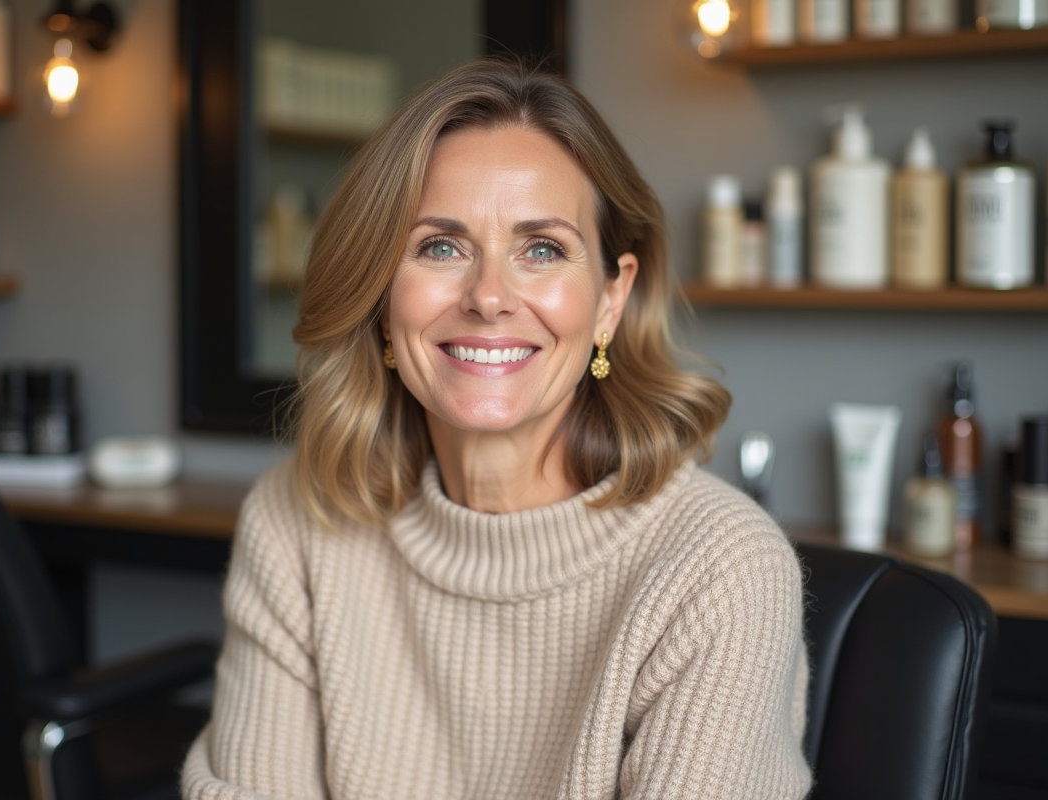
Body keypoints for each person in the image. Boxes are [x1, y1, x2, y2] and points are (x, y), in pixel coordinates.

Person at [182, 58, 812, 800]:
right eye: (438, 247)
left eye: (541, 249)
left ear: (612, 299)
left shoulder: (721, 571)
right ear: (381, 296)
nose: (488, 297)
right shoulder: (295, 518)